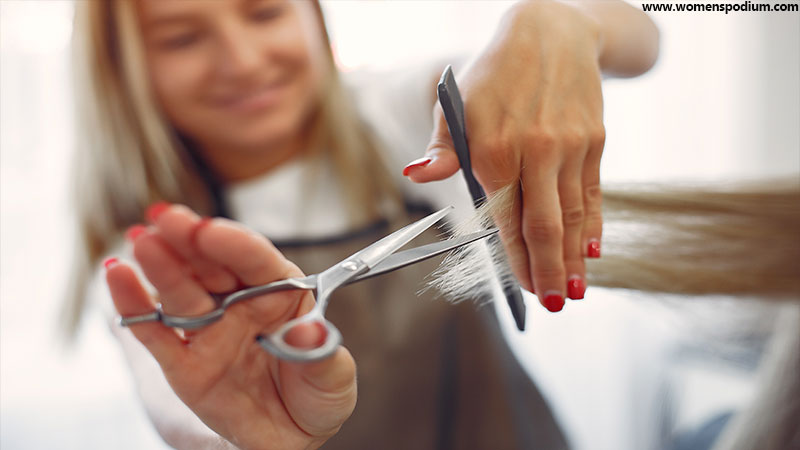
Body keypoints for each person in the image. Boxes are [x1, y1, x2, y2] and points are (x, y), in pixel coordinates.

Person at [65, 0, 664, 448]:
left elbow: (643, 41)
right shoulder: (148, 253)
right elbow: (165, 389)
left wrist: (557, 23)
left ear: (313, 15)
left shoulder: (407, 117)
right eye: (182, 38)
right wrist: (225, 432)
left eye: (266, 12)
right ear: (124, 67)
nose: (243, 61)